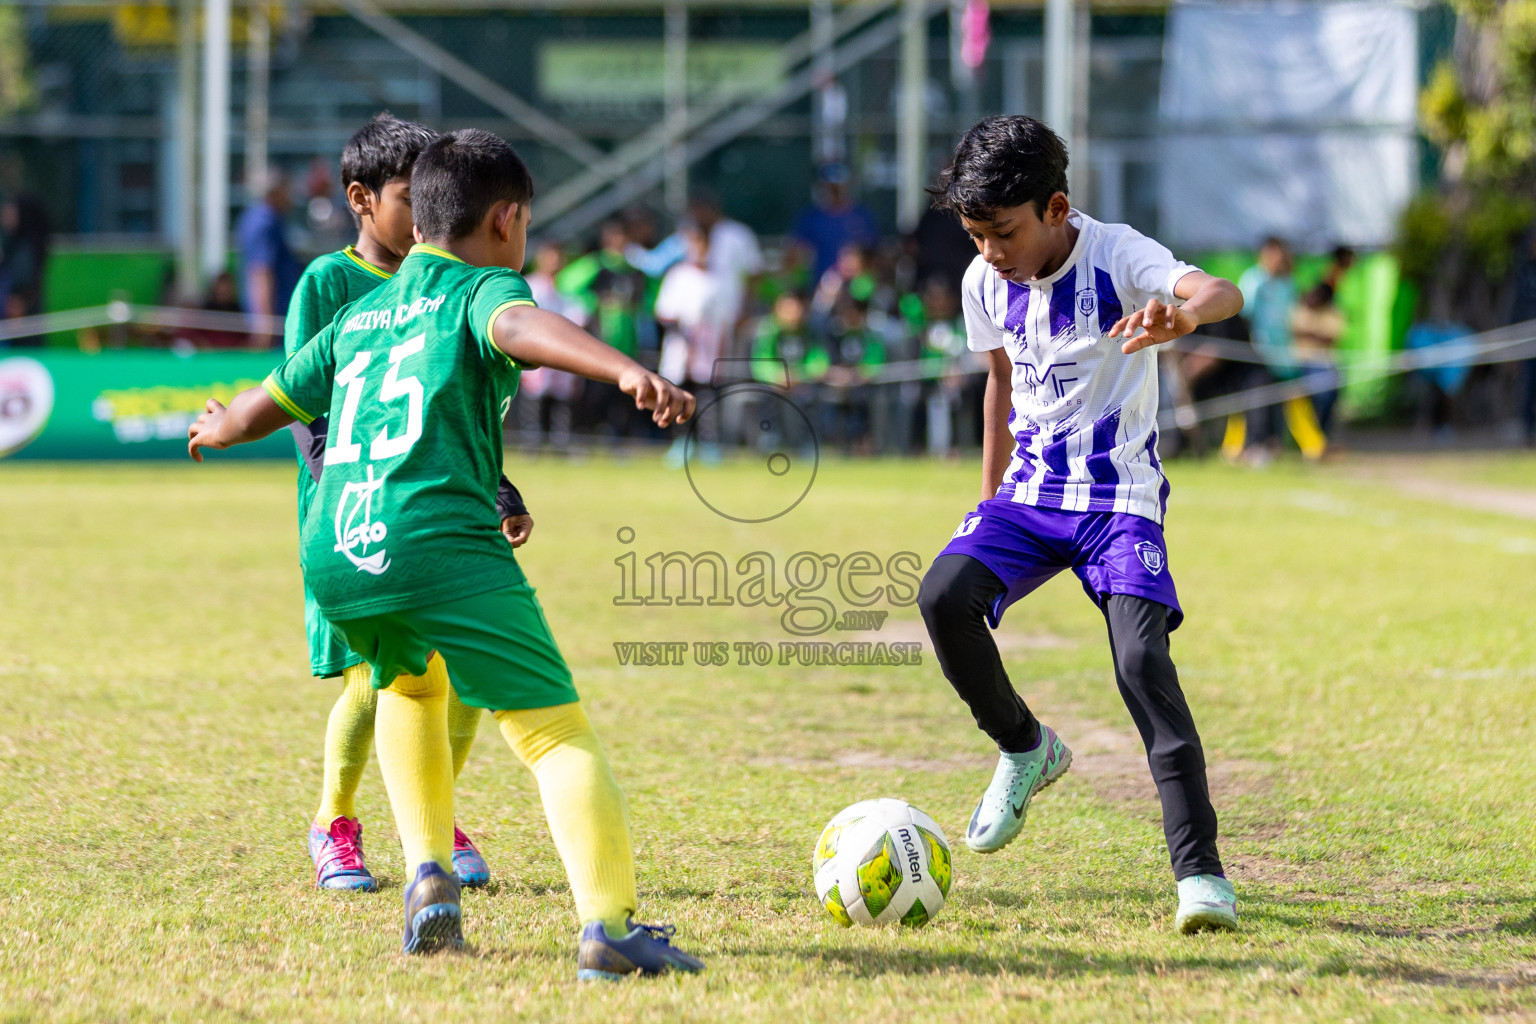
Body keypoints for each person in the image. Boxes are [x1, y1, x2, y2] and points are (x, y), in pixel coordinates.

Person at [186, 128, 704, 976]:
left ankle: (429, 878)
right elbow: (520, 324)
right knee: (552, 731)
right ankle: (609, 929)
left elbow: (268, 402)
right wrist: (622, 371)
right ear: (506, 219)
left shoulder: (361, 311)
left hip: (340, 551)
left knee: (412, 689)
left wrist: (218, 426)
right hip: (437, 542)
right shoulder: (479, 286)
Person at [914, 116, 1245, 934]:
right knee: (942, 595)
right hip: (1028, 495)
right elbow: (999, 386)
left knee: (1140, 662)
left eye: (1003, 232)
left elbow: (1219, 291)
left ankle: (1201, 877)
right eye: (976, 234)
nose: (990, 251)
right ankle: (1025, 746)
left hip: (1116, 499)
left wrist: (1184, 317)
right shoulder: (982, 280)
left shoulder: (1118, 253)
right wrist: (988, 500)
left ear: (1056, 207)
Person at [284, 113, 526, 894]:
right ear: (360, 199)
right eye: (402, 195)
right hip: (358, 510)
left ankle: (432, 812)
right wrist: (348, 491)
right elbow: (304, 402)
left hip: (441, 513)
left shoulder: (449, 287)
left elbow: (457, 414)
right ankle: (335, 821)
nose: (422, 211)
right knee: (374, 679)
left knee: (459, 672)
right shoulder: (329, 284)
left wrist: (498, 488)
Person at [237, 169, 303, 337]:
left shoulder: (261, 217)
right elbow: (261, 271)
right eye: (287, 190)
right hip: (274, 320)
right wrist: (265, 322)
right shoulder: (264, 222)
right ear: (276, 192)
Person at [791, 163, 879, 283]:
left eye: (839, 185)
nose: (836, 190)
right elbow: (797, 253)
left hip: (857, 290)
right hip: (823, 287)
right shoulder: (812, 217)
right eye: (831, 186)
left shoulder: (862, 216)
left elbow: (874, 253)